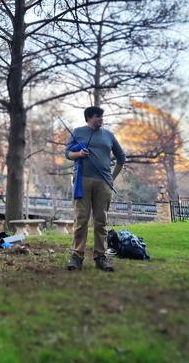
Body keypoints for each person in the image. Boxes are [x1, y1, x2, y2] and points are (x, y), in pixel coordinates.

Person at [65, 106, 126, 272]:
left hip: (103, 183)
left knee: (101, 221)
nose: (101, 119)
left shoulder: (108, 135)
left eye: (102, 116)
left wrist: (111, 179)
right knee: (81, 219)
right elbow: (68, 153)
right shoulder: (78, 132)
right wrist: (79, 155)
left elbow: (121, 158)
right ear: (90, 117)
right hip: (82, 181)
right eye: (98, 116)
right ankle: (76, 256)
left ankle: (100, 256)